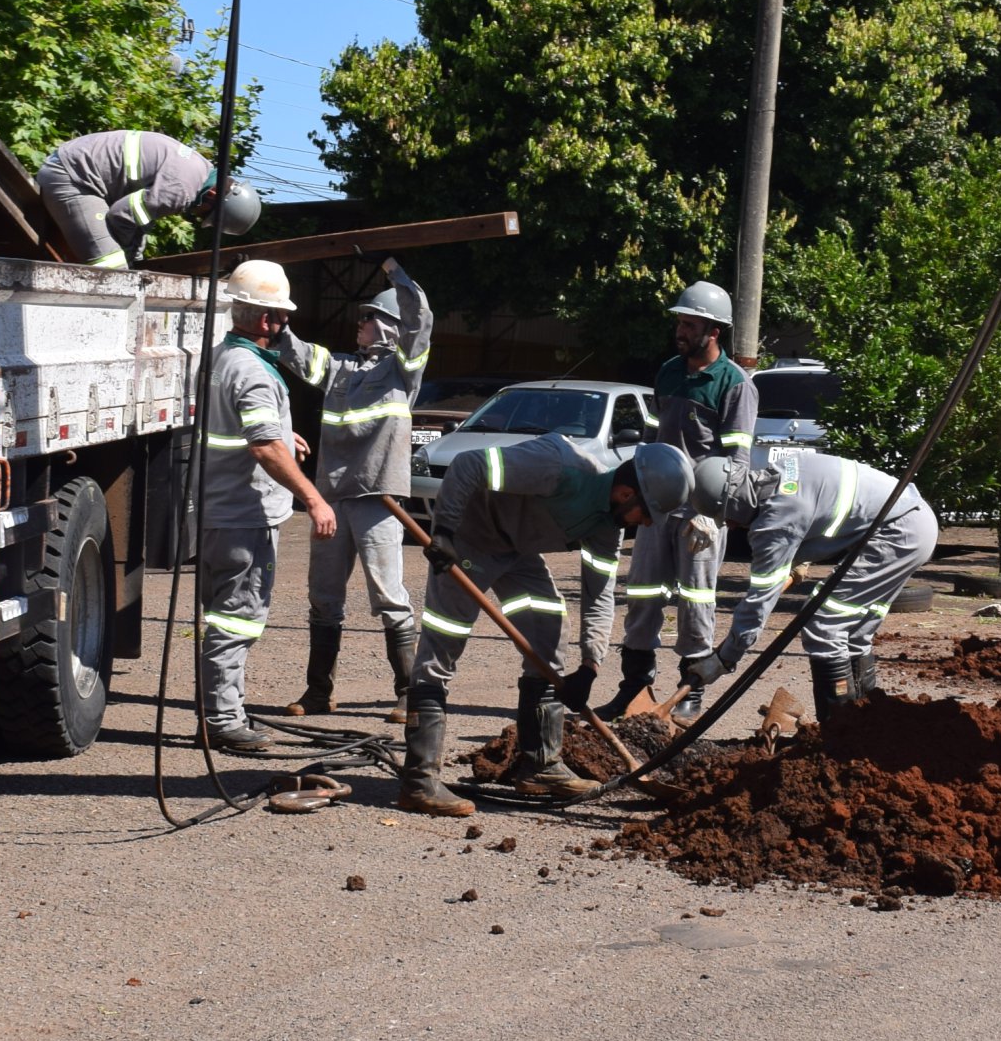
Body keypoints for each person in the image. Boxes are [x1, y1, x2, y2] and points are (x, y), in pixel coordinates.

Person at [394, 437, 664, 816]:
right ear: (624, 493)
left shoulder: (609, 526)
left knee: (548, 632)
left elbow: (599, 596)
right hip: (469, 542)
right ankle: (419, 782)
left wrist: (590, 666)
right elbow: (468, 463)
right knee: (444, 644)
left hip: (517, 553)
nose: (648, 522)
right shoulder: (557, 467)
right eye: (647, 512)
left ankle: (540, 766)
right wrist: (444, 531)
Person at [649, 442, 937, 722]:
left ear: (733, 503)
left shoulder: (774, 523)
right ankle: (865, 721)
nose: (733, 526)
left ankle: (838, 732)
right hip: (914, 522)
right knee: (854, 632)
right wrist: (801, 557)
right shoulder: (783, 469)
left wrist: (724, 659)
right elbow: (823, 504)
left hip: (896, 533)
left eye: (728, 519)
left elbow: (759, 604)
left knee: (824, 628)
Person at [588, 281, 758, 722]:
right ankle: (634, 688)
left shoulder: (734, 385)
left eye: (689, 323)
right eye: (680, 322)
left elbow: (736, 461)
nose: (680, 330)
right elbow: (655, 438)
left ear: (713, 330)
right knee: (643, 593)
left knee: (696, 600)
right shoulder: (668, 372)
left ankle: (691, 690)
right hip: (656, 506)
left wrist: (713, 513)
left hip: (701, 513)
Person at [275, 258, 433, 725]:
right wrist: (276, 317)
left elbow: (421, 322)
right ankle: (319, 691)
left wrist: (399, 277)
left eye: (368, 316)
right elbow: (297, 352)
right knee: (323, 595)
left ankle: (408, 693)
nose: (359, 323)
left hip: (379, 499)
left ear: (388, 327)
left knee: (388, 594)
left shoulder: (404, 371)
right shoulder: (339, 368)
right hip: (332, 497)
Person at [195, 260, 338, 756]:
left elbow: (246, 430)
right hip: (246, 515)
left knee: (220, 615)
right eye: (281, 317)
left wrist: (280, 431)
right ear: (266, 321)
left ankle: (221, 708)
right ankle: (222, 719)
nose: (284, 327)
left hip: (214, 511)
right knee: (237, 619)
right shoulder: (254, 372)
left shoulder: (217, 359)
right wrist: (313, 497)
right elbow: (262, 447)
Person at [35, 129, 261, 267]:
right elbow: (121, 216)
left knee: (122, 264)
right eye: (207, 214)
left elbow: (139, 218)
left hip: (77, 170)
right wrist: (127, 257)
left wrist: (136, 256)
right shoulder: (181, 190)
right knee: (111, 267)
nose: (198, 216)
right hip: (72, 177)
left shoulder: (199, 169)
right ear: (212, 196)